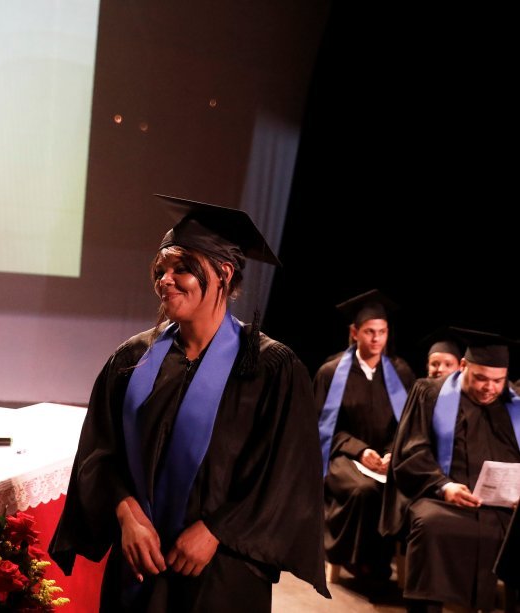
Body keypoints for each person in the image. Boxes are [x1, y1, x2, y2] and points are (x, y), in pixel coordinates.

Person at [48, 195, 329, 612]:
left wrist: (216, 531)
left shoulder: (269, 368)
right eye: (160, 270)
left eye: (181, 268)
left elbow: (287, 475)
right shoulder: (133, 358)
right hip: (139, 562)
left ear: (223, 273)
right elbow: (98, 453)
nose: (165, 280)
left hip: (220, 571)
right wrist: (126, 513)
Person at [380, 328, 520, 612]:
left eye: (498, 381)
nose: (489, 388)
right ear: (464, 366)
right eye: (481, 378)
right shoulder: (429, 393)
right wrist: (444, 486)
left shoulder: (514, 402)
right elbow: (411, 452)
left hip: (504, 509)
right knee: (431, 526)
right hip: (442, 499)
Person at [315, 289, 416, 581]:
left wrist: (391, 453)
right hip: (341, 456)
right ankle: (356, 562)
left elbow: (408, 425)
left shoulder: (401, 373)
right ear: (354, 332)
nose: (376, 339)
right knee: (364, 491)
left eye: (382, 332)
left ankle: (375, 563)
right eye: (370, 332)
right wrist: (359, 451)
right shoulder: (331, 372)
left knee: (397, 490)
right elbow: (320, 427)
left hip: (387, 458)